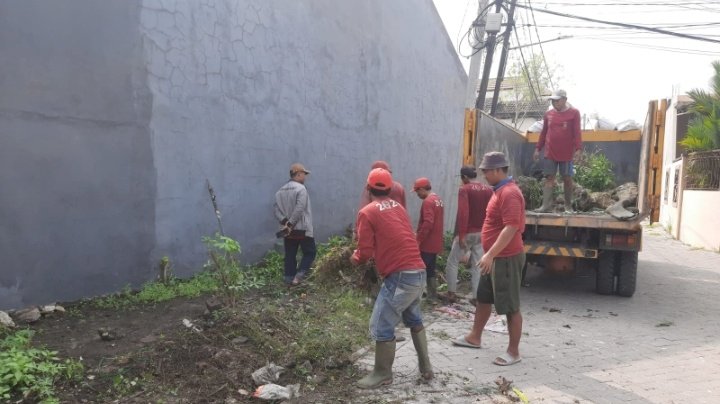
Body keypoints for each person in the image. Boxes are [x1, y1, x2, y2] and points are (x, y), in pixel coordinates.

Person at [350, 168, 433, 388]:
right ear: (389, 188)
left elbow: (365, 251)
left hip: (400, 276)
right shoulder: (399, 208)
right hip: (418, 270)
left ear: (368, 188)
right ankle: (426, 367)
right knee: (414, 318)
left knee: (380, 324)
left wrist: (354, 258)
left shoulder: (367, 212)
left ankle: (382, 374)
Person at [452, 152, 526, 367]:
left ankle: (513, 351)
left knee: (510, 306)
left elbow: (511, 227)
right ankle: (475, 337)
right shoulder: (499, 191)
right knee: (484, 298)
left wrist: (491, 254)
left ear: (497, 170)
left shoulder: (510, 193)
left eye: (486, 171)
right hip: (494, 257)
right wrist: (489, 254)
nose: (483, 175)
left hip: (506, 258)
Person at [441, 165, 493, 303]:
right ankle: (476, 297)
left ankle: (451, 292)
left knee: (452, 262)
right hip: (482, 232)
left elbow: (464, 213)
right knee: (478, 265)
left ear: (464, 177)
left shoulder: (464, 189)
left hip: (468, 232)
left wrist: (462, 234)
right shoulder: (488, 189)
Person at [533, 89, 582, 213]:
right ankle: (546, 206)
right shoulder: (548, 114)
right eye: (553, 101)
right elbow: (543, 133)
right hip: (550, 152)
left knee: (567, 178)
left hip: (566, 153)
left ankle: (568, 206)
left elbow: (577, 132)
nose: (554, 103)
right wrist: (538, 149)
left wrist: (578, 149)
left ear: (565, 99)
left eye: (557, 100)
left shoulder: (574, 113)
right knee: (549, 178)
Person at [274, 163, 316, 286]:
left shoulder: (279, 191)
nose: (305, 177)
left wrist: (285, 223)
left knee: (290, 254)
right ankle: (299, 276)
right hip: (302, 229)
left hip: (287, 231)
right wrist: (291, 223)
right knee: (310, 252)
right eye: (304, 174)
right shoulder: (301, 189)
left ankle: (288, 278)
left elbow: (276, 210)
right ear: (298, 174)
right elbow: (300, 208)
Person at [412, 177, 444, 301]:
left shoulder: (428, 202)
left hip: (427, 243)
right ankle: (432, 296)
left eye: (417, 192)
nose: (417, 194)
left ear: (421, 189)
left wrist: (418, 239)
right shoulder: (438, 200)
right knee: (430, 270)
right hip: (435, 243)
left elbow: (428, 223)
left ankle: (415, 297)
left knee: (419, 269)